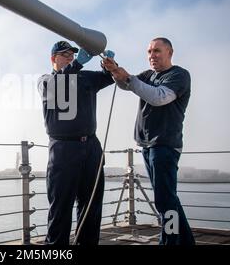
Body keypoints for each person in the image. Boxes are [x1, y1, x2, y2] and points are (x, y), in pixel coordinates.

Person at [102, 37, 195, 245]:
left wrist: (129, 79)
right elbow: (126, 84)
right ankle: (186, 241)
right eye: (149, 51)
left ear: (170, 52)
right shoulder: (147, 75)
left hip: (165, 146)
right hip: (148, 145)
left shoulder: (179, 75)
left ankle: (169, 241)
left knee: (165, 200)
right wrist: (114, 70)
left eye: (157, 51)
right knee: (168, 198)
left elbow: (159, 97)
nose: (152, 56)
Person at [37, 40, 114, 245]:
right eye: (65, 55)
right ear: (53, 59)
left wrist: (108, 65)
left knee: (91, 206)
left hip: (91, 148)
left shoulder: (85, 78)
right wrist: (77, 64)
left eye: (73, 55)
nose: (71, 58)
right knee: (60, 207)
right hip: (63, 150)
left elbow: (109, 79)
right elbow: (57, 85)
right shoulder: (46, 81)